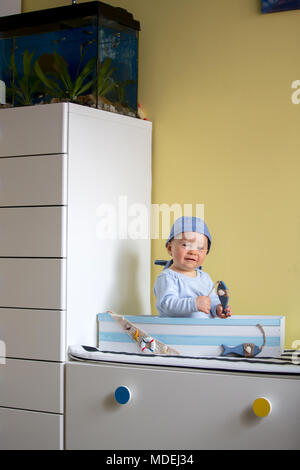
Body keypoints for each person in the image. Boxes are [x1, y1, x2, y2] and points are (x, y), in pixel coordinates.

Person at [154, 216, 232, 318]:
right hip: (175, 331)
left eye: (200, 248)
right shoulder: (167, 277)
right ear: (170, 248)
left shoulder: (205, 278)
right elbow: (167, 303)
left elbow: (211, 300)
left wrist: (217, 308)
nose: (193, 252)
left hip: (203, 331)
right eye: (186, 245)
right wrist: (194, 304)